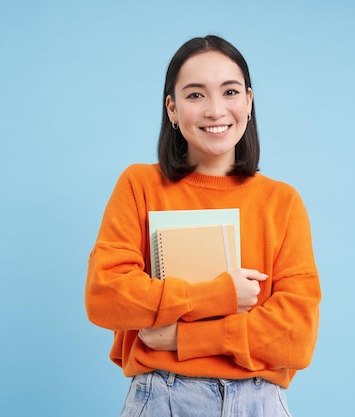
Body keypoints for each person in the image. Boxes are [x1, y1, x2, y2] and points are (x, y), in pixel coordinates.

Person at [85, 35, 321, 417]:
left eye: (229, 91)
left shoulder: (282, 202)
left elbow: (296, 336)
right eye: (195, 95)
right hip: (164, 396)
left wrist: (182, 337)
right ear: (172, 109)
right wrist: (220, 295)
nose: (215, 110)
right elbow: (106, 296)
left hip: (258, 403)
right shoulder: (139, 186)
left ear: (248, 101)